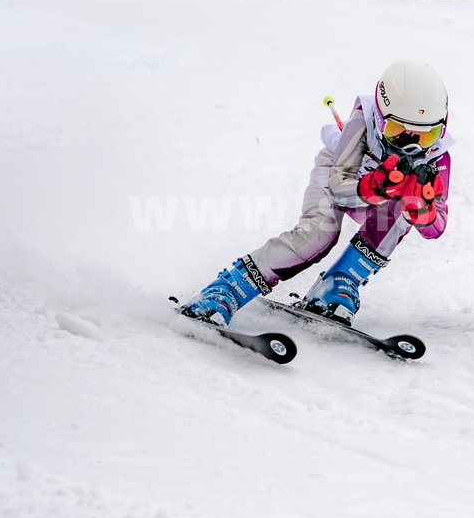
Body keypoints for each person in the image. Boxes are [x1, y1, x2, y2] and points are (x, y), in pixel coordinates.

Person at [179, 59, 452, 326]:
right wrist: (375, 187)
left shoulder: (438, 156)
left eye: (427, 136)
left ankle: (339, 282)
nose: (411, 145)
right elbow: (338, 187)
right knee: (319, 233)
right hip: (338, 177)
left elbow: (436, 227)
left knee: (403, 210)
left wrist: (424, 212)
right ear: (380, 117)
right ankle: (227, 289)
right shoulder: (362, 120)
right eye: (397, 131)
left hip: (372, 195)